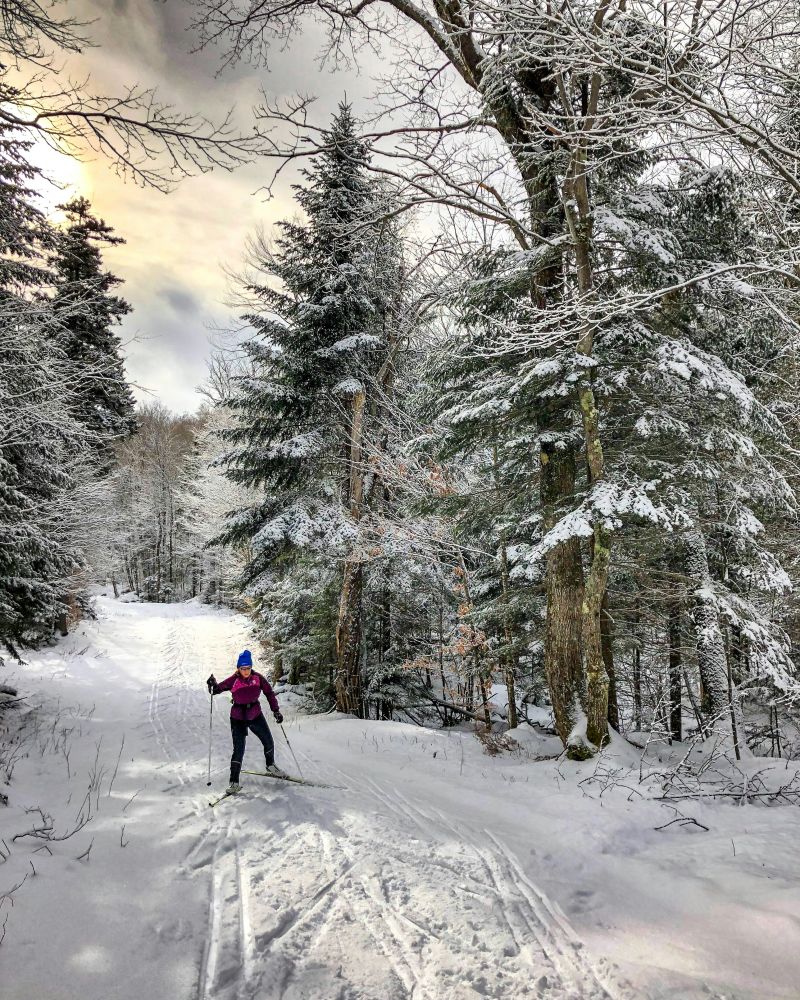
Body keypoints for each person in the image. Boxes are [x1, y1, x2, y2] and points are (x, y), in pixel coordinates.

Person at [206, 649, 287, 794]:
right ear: (238, 668)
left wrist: (276, 710)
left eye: (248, 668)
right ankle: (234, 782)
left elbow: (269, 693)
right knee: (239, 749)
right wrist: (212, 684)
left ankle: (270, 765)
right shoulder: (233, 680)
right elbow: (216, 690)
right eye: (243, 668)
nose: (246, 671)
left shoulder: (258, 678)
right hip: (238, 718)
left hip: (255, 715)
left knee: (268, 741)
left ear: (251, 667)